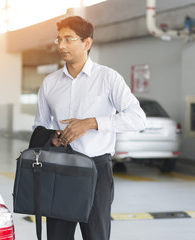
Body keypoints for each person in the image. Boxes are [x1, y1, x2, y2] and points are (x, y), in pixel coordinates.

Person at [32, 16, 146, 240]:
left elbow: (138, 118)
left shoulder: (108, 78)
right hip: (59, 169)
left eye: (68, 39)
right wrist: (52, 138)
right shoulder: (50, 83)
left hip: (96, 169)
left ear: (87, 43)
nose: (61, 45)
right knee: (57, 236)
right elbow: (39, 126)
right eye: (59, 40)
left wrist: (93, 123)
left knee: (96, 235)